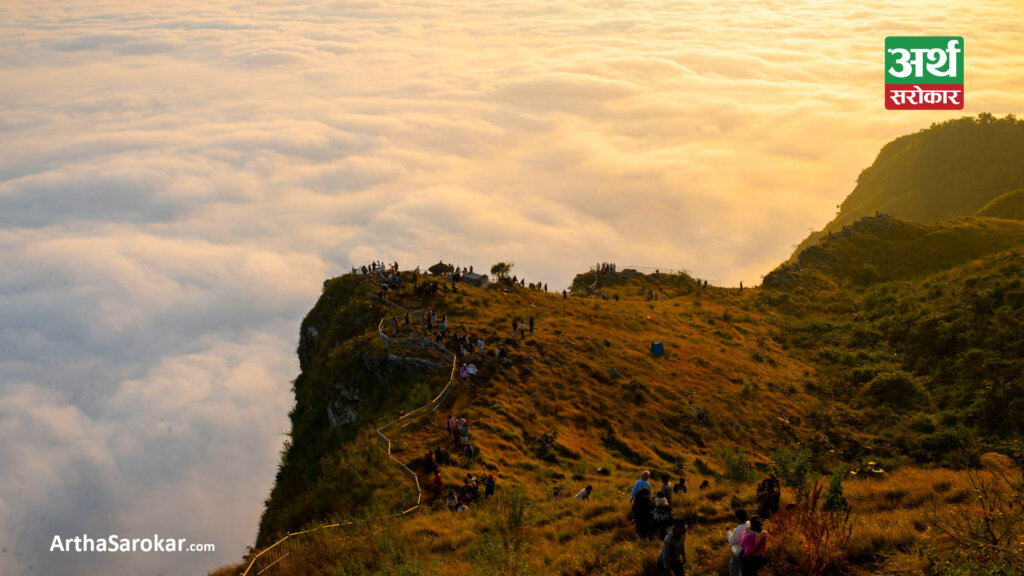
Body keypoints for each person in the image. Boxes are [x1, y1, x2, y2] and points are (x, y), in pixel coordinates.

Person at [727, 509, 749, 576]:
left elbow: (732, 541)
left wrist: (728, 531)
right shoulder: (750, 524)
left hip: (738, 554)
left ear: (737, 518)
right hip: (747, 554)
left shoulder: (738, 529)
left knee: (734, 573)